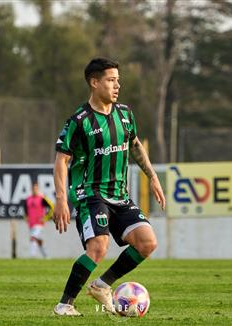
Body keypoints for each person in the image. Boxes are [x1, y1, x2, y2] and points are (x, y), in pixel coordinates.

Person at [52, 57, 166, 316]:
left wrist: (153, 176)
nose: (117, 85)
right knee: (98, 247)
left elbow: (135, 146)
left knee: (147, 243)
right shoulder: (79, 121)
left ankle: (102, 284)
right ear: (94, 83)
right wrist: (61, 199)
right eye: (111, 80)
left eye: (118, 80)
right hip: (91, 193)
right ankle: (64, 304)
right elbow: (61, 160)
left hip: (120, 195)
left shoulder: (125, 114)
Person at [23, 182, 54, 258]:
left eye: (36, 188)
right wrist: (26, 218)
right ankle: (46, 256)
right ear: (31, 189)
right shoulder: (28, 199)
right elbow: (25, 211)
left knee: (33, 237)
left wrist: (45, 218)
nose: (34, 190)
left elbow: (52, 207)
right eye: (33, 189)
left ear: (38, 189)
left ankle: (32, 256)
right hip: (31, 223)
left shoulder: (42, 198)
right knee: (38, 240)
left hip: (39, 223)